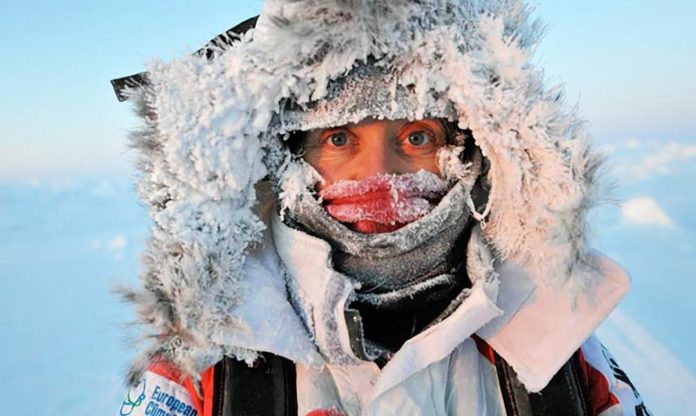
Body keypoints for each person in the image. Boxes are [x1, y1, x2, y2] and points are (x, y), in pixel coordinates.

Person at [113, 1, 651, 415]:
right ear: (288, 161)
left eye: (416, 136)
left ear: (469, 153)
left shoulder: (549, 334)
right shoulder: (207, 354)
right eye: (341, 139)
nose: (381, 175)